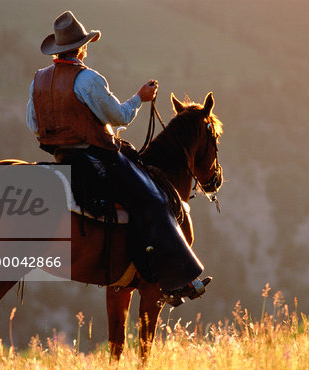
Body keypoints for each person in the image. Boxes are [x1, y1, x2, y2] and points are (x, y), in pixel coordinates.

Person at [27, 11, 209, 304]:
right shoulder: (87, 79)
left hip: (61, 158)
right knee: (156, 200)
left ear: (58, 49)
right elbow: (120, 116)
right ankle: (178, 279)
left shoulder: (39, 80)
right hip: (97, 159)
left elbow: (33, 124)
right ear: (82, 48)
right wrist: (140, 98)